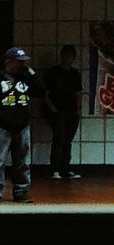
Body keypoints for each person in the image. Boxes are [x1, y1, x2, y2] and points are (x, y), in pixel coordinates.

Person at [0, 47, 49, 204]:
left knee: (22, 161)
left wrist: (31, 72)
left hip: (22, 126)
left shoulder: (26, 77)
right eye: (19, 61)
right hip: (2, 126)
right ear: (9, 62)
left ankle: (21, 190)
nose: (22, 64)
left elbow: (42, 92)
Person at [44, 45, 83, 181]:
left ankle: (65, 169)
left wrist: (78, 109)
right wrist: (52, 109)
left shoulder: (75, 74)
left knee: (67, 141)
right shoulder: (53, 73)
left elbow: (78, 93)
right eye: (65, 55)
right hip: (57, 111)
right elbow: (46, 94)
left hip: (72, 111)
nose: (67, 59)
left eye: (70, 56)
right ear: (61, 56)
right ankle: (55, 169)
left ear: (73, 58)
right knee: (58, 140)